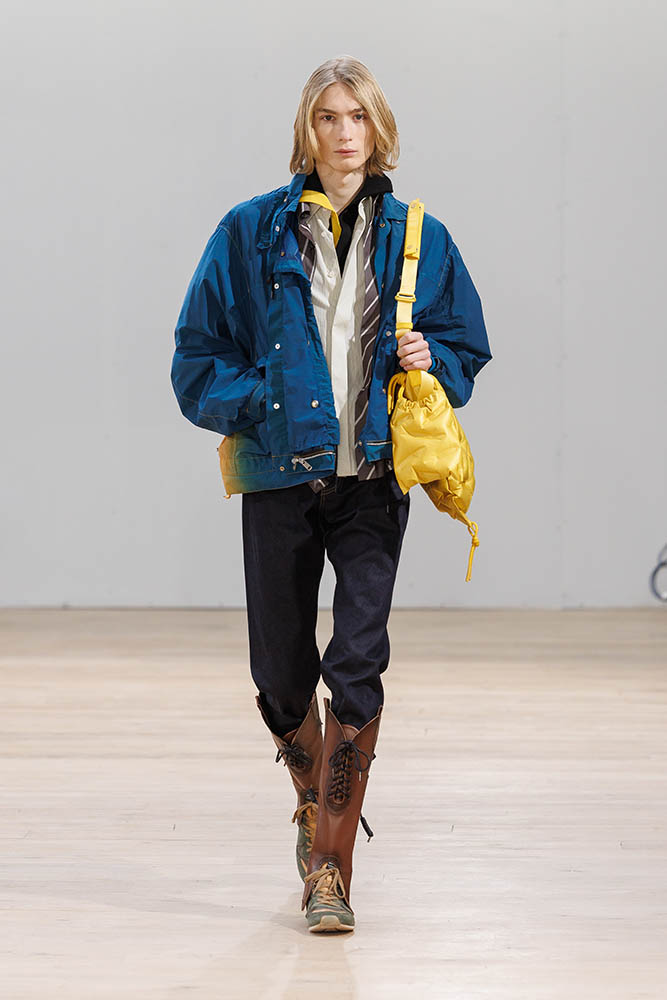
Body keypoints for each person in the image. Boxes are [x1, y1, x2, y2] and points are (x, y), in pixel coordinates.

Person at [171, 55, 492, 934]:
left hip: (375, 482)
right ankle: (311, 798)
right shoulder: (249, 232)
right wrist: (267, 405)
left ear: (378, 129)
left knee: (356, 662)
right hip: (279, 476)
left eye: (357, 117)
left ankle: (329, 869)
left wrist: (435, 358)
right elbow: (196, 359)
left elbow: (466, 347)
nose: (344, 133)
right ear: (305, 131)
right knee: (280, 674)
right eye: (327, 117)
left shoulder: (419, 236)